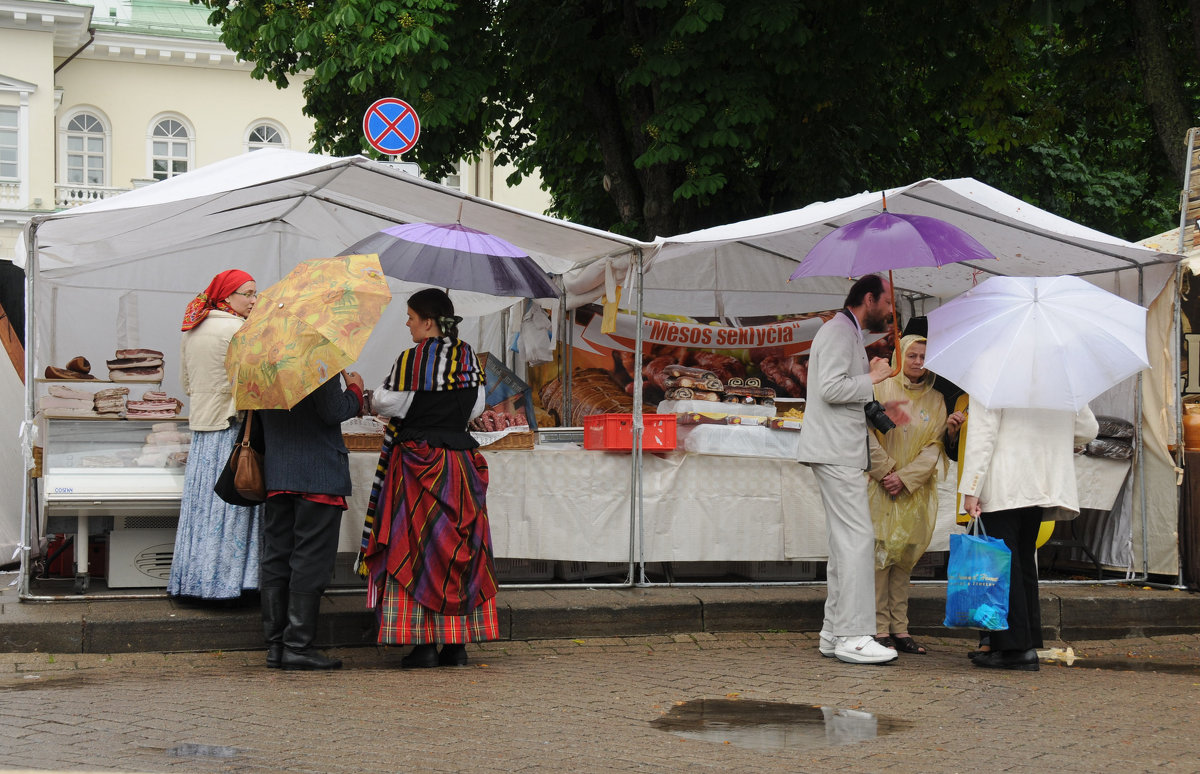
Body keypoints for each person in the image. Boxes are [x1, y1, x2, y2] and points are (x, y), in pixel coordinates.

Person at [358, 288, 499, 668]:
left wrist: (379, 397)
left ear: (428, 321)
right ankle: (457, 645)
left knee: (419, 548)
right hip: (461, 463)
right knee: (461, 547)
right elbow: (478, 405)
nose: (407, 323)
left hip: (419, 462)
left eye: (410, 317)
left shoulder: (412, 359)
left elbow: (387, 403)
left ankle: (423, 646)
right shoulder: (468, 355)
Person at [796, 274, 898, 665]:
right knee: (857, 539)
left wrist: (870, 384)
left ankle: (833, 632)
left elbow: (841, 389)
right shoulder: (839, 331)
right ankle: (854, 635)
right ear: (869, 298)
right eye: (887, 303)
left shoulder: (847, 332)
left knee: (845, 543)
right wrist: (872, 377)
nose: (890, 312)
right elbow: (831, 388)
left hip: (838, 450)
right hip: (836, 451)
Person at [960, 402, 1098, 671]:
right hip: (1040, 482)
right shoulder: (1057, 375)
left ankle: (1013, 649)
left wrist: (971, 488)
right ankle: (1025, 643)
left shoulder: (993, 374)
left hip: (1003, 483)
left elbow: (982, 436)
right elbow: (1088, 429)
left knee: (1002, 569)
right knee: (1022, 564)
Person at [258, 370, 364, 670]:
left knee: (277, 556)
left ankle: (276, 647)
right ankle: (298, 646)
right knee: (310, 560)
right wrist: (355, 390)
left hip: (278, 470)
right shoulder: (317, 358)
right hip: (317, 473)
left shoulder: (261, 359)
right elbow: (334, 411)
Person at [170, 269, 262, 602]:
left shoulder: (192, 327)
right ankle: (227, 585)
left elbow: (187, 384)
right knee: (231, 508)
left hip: (203, 427)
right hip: (231, 427)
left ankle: (193, 582)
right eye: (248, 293)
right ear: (227, 296)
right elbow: (251, 387)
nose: (254, 300)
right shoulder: (239, 330)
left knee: (201, 509)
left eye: (254, 293)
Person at [866, 335, 947, 655]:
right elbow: (864, 433)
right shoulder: (881, 389)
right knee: (879, 557)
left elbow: (935, 446)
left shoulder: (937, 399)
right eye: (911, 355)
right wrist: (886, 472)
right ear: (899, 355)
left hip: (914, 490)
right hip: (880, 486)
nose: (917, 362)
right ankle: (877, 627)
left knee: (904, 559)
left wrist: (907, 477)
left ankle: (900, 628)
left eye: (923, 356)